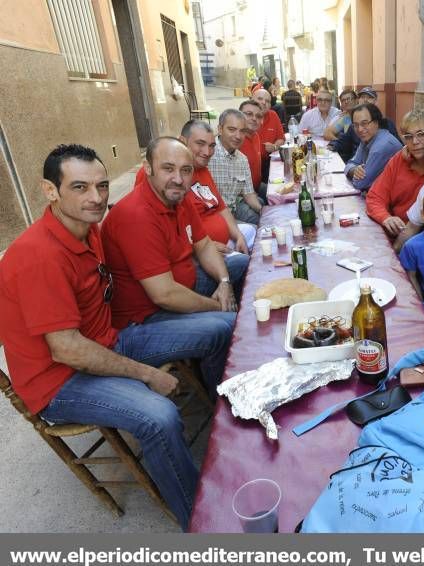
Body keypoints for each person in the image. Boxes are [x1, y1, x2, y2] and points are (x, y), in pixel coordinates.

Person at [0, 144, 232, 530]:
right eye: (80, 187)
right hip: (60, 380)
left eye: (102, 186)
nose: (96, 198)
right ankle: (201, 520)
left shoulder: (87, 230)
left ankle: (225, 423)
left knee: (222, 326)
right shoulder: (37, 256)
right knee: (158, 417)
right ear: (50, 191)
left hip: (108, 340)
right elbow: (68, 350)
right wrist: (146, 374)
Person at [101, 137, 243, 384]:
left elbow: (205, 245)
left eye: (185, 170)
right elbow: (164, 295)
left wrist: (223, 283)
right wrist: (217, 306)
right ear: (148, 169)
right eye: (168, 168)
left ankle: (211, 363)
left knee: (239, 264)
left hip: (181, 286)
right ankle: (222, 403)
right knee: (228, 325)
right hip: (145, 319)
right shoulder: (137, 215)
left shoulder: (178, 196)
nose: (178, 178)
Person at [179, 120, 256, 251]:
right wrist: (205, 248)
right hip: (202, 250)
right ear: (182, 142)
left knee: (254, 231)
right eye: (200, 144)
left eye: (212, 146)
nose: (207, 152)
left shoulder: (202, 169)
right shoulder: (168, 177)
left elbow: (221, 208)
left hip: (223, 240)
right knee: (244, 261)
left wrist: (238, 236)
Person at [365, 109, 424, 237]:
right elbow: (375, 197)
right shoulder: (399, 160)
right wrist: (385, 217)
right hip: (395, 232)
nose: (415, 142)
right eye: (408, 137)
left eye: (421, 134)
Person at [208, 108, 263, 225]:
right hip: (213, 217)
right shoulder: (208, 154)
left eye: (242, 131)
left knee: (263, 215)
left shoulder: (242, 159)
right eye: (232, 130)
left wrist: (264, 211)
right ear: (220, 129)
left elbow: (249, 194)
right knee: (253, 229)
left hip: (233, 211)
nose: (238, 136)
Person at [329, 87, 400, 162]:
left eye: (369, 97)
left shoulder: (386, 123)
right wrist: (332, 145)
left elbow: (397, 147)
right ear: (358, 100)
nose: (365, 100)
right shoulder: (353, 124)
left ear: (375, 101)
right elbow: (342, 141)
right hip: (354, 163)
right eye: (362, 97)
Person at [344, 103, 403, 192]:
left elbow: (360, 183)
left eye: (364, 123)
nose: (360, 129)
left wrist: (352, 172)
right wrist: (354, 170)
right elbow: (351, 163)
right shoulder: (367, 137)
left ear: (376, 122)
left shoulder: (381, 146)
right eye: (356, 125)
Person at [251, 88, 285, 189]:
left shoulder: (273, 115)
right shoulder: (244, 118)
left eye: (267, 101)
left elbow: (281, 138)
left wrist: (275, 146)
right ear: (251, 100)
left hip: (267, 163)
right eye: (260, 99)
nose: (263, 102)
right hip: (250, 167)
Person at [238, 100, 266, 195]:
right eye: (249, 114)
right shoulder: (235, 140)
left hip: (257, 187)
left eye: (258, 116)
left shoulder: (255, 136)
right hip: (243, 195)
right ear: (239, 116)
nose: (254, 118)